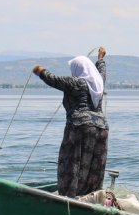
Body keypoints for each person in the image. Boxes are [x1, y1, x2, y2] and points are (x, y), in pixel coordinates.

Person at [33, 47, 108, 197]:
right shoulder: (98, 83)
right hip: (101, 128)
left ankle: (69, 196)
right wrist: (100, 59)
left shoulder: (75, 83)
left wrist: (39, 70)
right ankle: (91, 196)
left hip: (80, 127)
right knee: (93, 165)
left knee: (71, 162)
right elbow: (101, 72)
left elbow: (52, 79)